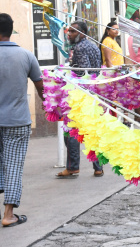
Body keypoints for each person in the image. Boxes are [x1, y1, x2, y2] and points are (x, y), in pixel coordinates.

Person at [0, 14, 44, 227]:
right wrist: (50, 104)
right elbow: (40, 87)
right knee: (13, 166)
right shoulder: (26, 56)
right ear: (11, 30)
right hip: (17, 121)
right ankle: (8, 215)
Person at [57, 21, 103, 178]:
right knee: (90, 131)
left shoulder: (80, 48)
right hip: (92, 94)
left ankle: (72, 167)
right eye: (69, 31)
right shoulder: (93, 46)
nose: (69, 34)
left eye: (73, 32)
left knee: (71, 130)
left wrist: (68, 73)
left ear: (83, 33)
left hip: (82, 95)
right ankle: (98, 167)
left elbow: (84, 73)